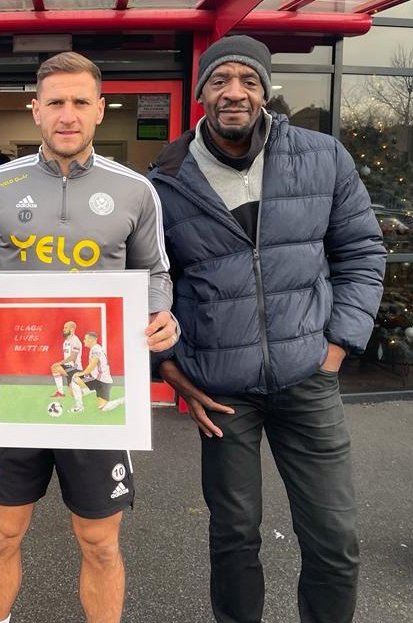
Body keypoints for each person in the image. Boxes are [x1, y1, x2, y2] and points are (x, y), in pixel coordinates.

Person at [147, 35, 386, 623]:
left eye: (248, 81)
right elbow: (152, 286)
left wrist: (335, 347)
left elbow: (361, 252)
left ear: (265, 90)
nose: (235, 92)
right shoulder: (163, 181)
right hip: (222, 394)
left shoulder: (323, 156)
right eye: (220, 80)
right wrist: (169, 369)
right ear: (200, 91)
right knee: (233, 539)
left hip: (309, 381)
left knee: (334, 540)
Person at [0, 51, 178, 623]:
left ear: (100, 109)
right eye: (55, 102)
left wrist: (158, 316)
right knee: (2, 534)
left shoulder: (135, 191)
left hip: (101, 391)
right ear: (35, 111)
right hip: (13, 387)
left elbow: (156, 272)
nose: (67, 114)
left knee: (99, 541)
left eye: (80, 101)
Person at [71, 331, 122, 413]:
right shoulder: (96, 348)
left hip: (100, 381)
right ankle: (91, 391)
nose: (84, 340)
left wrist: (82, 373)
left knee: (75, 381)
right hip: (100, 379)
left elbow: (93, 364)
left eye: (85, 339)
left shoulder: (96, 349)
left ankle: (80, 407)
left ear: (90, 340)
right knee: (102, 407)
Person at [49, 320, 82, 397]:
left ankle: (93, 387)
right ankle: (60, 392)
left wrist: (61, 363)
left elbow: (73, 357)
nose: (64, 329)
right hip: (68, 368)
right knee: (74, 395)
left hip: (75, 368)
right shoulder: (66, 341)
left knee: (55, 367)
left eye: (66, 327)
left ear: (72, 329)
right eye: (64, 327)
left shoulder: (75, 340)